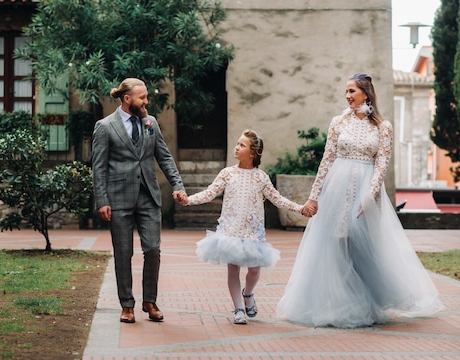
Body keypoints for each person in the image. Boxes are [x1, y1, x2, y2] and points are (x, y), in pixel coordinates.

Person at [276, 73, 444, 328]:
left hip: (365, 190)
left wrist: (370, 194)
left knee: (361, 245)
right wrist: (314, 196)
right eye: (346, 91)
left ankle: (368, 301)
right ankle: (335, 302)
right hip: (336, 188)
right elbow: (326, 160)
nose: (347, 96)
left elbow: (381, 164)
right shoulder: (338, 122)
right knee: (334, 242)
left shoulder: (382, 126)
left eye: (352, 91)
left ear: (366, 93)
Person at [175, 129, 303, 324]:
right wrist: (188, 200)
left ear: (252, 153)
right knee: (233, 268)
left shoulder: (261, 178)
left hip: (253, 232)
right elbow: (210, 193)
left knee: (254, 270)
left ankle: (248, 293)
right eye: (237, 143)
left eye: (242, 145)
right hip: (231, 230)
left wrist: (300, 208)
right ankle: (238, 309)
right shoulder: (227, 174)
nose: (236, 147)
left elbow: (278, 199)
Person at [91, 77, 185, 324]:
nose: (146, 101)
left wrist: (177, 185)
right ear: (127, 99)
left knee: (153, 248)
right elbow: (98, 168)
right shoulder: (105, 126)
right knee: (123, 253)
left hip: (148, 196)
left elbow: (164, 157)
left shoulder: (150, 123)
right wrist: (102, 200)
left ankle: (150, 301)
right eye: (142, 97)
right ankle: (127, 305)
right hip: (118, 197)